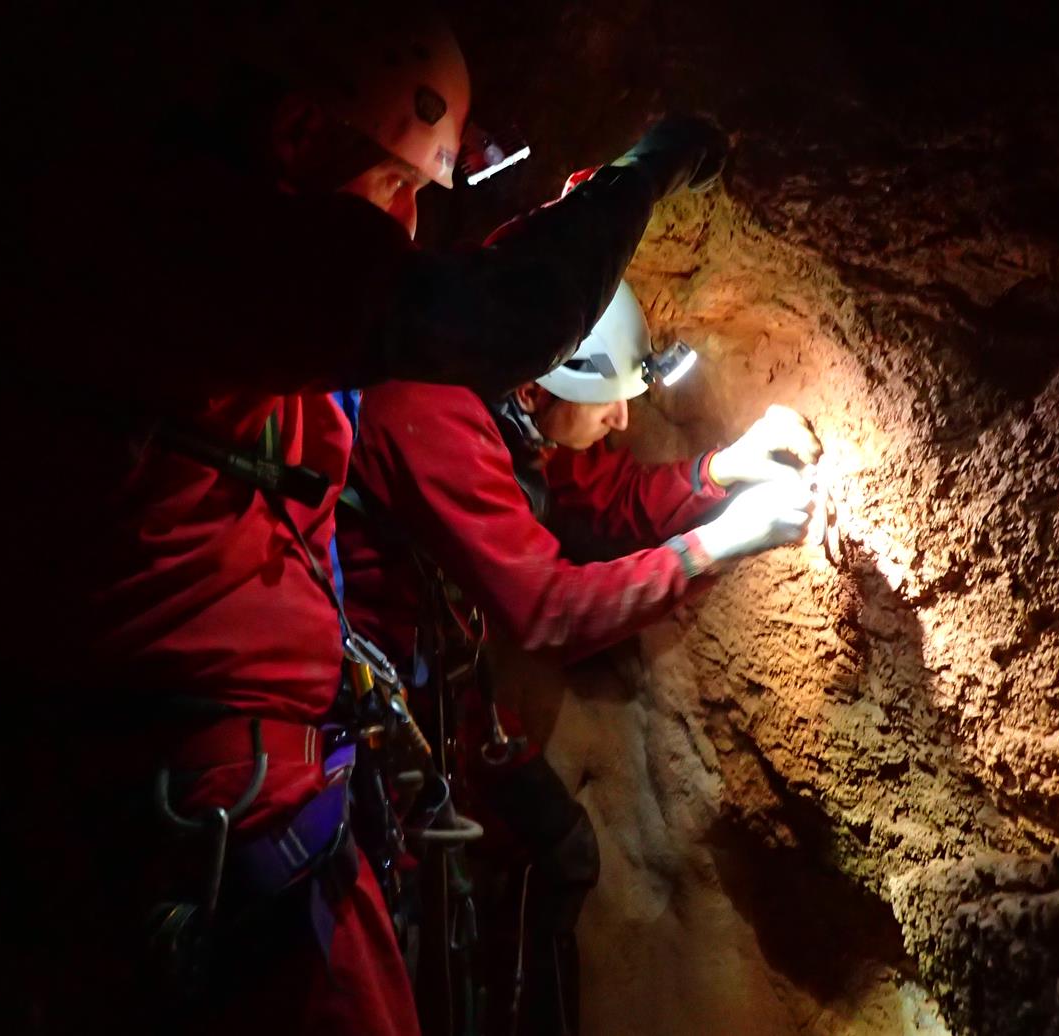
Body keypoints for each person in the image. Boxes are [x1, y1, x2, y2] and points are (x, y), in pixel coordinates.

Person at [0, 5, 728, 1034]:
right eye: (398, 183)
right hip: (207, 807)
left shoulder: (173, 274)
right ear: (295, 135)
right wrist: (643, 168)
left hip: (201, 790)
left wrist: (713, 476)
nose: (409, 225)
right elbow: (504, 314)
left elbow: (570, 480)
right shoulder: (212, 246)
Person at [336, 276, 820, 1034]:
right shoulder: (431, 415)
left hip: (442, 703)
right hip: (372, 727)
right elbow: (548, 612)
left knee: (558, 850)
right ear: (535, 390)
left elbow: (600, 495)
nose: (624, 418)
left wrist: (717, 472)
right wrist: (716, 543)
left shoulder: (502, 400)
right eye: (608, 403)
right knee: (406, 928)